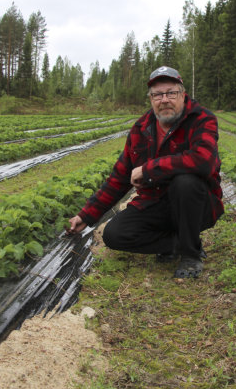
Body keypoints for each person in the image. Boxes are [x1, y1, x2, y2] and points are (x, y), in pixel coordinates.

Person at [67, 66, 223, 278]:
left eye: (171, 93)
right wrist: (86, 215)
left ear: (183, 95)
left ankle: (190, 253)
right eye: (157, 95)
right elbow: (119, 177)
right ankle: (175, 244)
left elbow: (203, 161)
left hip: (196, 205)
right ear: (151, 99)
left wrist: (149, 169)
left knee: (185, 182)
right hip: (156, 203)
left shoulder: (202, 119)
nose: (164, 99)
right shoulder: (141, 129)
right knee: (114, 235)